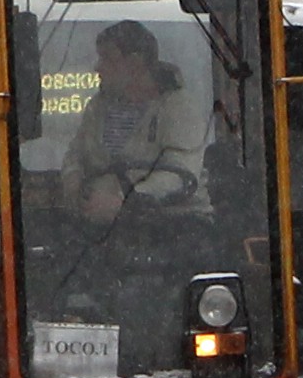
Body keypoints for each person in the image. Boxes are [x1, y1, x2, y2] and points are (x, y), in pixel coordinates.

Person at [68, 19, 203, 228]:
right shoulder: (98, 107)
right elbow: (75, 155)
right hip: (105, 227)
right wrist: (75, 185)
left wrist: (126, 200)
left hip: (173, 224)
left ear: (134, 63)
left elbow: (180, 176)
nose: (97, 68)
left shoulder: (178, 107)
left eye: (107, 59)